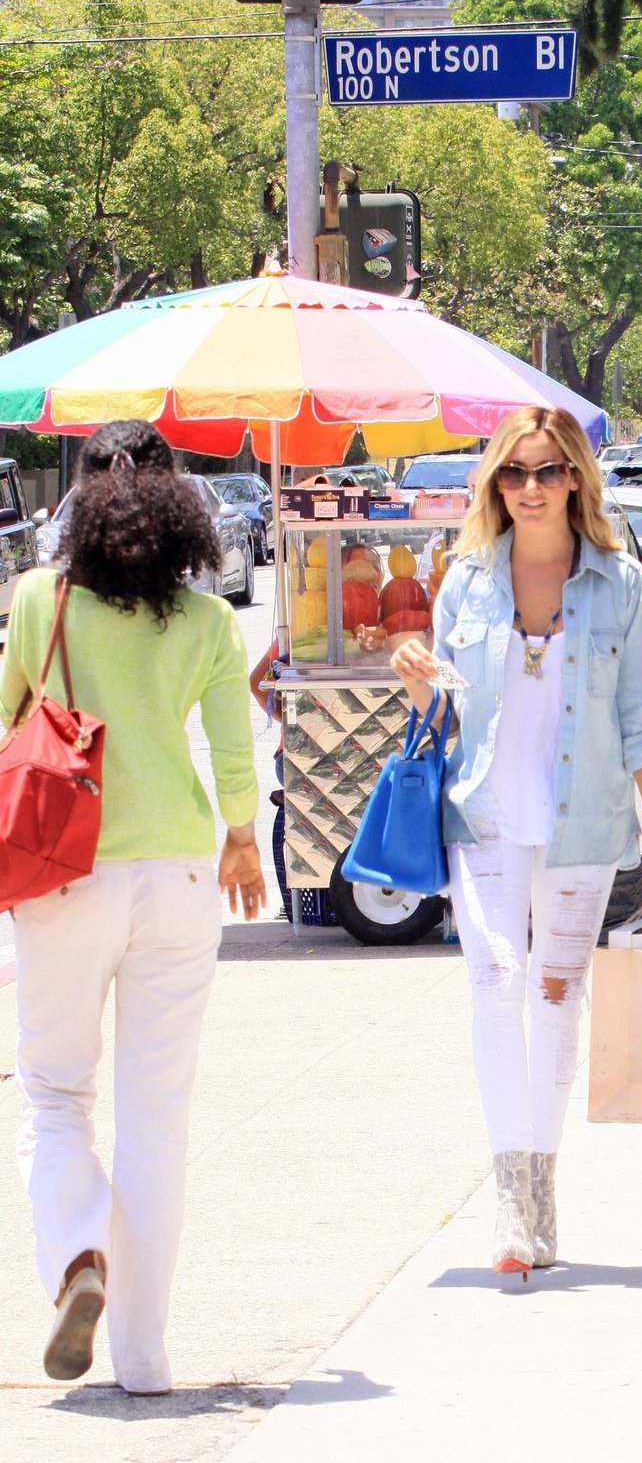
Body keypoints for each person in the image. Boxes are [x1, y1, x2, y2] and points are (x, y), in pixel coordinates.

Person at [0, 421, 265, 1392]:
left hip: (65, 872)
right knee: (157, 1120)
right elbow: (235, 755)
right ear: (177, 504)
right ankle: (144, 1359)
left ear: (84, 498)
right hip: (181, 878)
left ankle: (78, 1259)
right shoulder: (206, 621)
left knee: (58, 1095)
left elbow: (10, 715)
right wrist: (241, 837)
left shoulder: (41, 600)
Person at [390, 404, 642, 1278]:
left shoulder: (621, 585)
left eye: (546, 470)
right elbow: (445, 714)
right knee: (494, 982)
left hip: (585, 819)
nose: (528, 487)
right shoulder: (465, 581)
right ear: (495, 483)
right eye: (512, 473)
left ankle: (540, 1188)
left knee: (556, 996)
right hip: (480, 814)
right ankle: (509, 1198)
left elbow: (640, 716)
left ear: (574, 480)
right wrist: (413, 674)